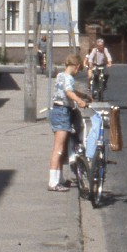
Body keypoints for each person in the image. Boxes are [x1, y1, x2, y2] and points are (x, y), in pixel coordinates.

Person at [47, 54, 89, 192]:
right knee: (58, 149)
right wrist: (80, 101)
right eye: (79, 70)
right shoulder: (69, 78)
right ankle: (53, 182)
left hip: (56, 111)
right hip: (62, 112)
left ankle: (60, 179)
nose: (78, 73)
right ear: (77, 67)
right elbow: (69, 92)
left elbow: (70, 90)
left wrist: (83, 95)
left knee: (62, 149)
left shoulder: (60, 75)